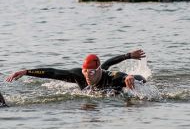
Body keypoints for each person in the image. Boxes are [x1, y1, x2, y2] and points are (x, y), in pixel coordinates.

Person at [6, 49, 146, 92]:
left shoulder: (111, 77)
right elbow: (52, 72)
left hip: (112, 90)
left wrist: (130, 78)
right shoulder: (78, 75)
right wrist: (26, 72)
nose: (87, 76)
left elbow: (139, 78)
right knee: (106, 63)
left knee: (107, 65)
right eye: (85, 71)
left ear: (98, 71)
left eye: (91, 72)